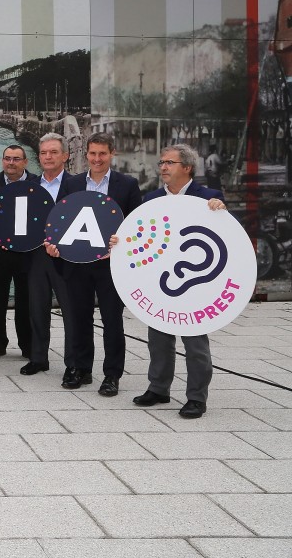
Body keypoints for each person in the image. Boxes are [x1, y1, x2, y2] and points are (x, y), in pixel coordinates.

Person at [132, 144, 226, 419]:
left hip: (194, 283)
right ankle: (158, 388)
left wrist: (221, 210)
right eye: (161, 162)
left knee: (195, 344)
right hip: (161, 280)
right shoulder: (151, 199)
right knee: (158, 339)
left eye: (169, 162)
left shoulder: (208, 197)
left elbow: (227, 236)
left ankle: (196, 397)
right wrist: (121, 241)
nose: (163, 167)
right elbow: (140, 234)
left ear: (187, 167)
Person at [50, 134, 141, 396]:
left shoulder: (128, 185)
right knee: (79, 318)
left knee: (112, 321)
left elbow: (137, 225)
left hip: (111, 266)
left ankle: (112, 375)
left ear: (112, 153)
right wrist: (53, 245)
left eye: (102, 153)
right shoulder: (73, 184)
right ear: (86, 154)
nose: (97, 159)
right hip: (77, 263)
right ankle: (81, 369)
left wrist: (122, 243)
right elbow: (60, 220)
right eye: (93, 153)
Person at [20, 132, 75, 378]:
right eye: (43, 153)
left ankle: (73, 363)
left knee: (71, 311)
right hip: (36, 256)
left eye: (53, 152)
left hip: (68, 256)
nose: (48, 157)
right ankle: (38, 358)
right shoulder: (30, 185)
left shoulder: (76, 185)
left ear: (65, 156)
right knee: (37, 308)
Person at [0, 144, 39, 361]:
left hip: (27, 252)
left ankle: (28, 345)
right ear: (2, 160)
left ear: (25, 162)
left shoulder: (37, 183)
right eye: (7, 158)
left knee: (27, 302)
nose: (11, 163)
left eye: (16, 159)